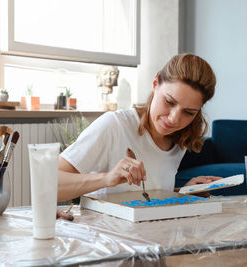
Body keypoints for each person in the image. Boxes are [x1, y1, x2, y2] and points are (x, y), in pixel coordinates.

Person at [58, 53, 221, 201]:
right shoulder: (115, 125)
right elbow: (48, 183)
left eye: (189, 112)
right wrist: (108, 178)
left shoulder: (179, 140)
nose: (174, 119)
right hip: (104, 231)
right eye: (169, 102)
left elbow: (147, 196)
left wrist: (183, 193)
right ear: (155, 83)